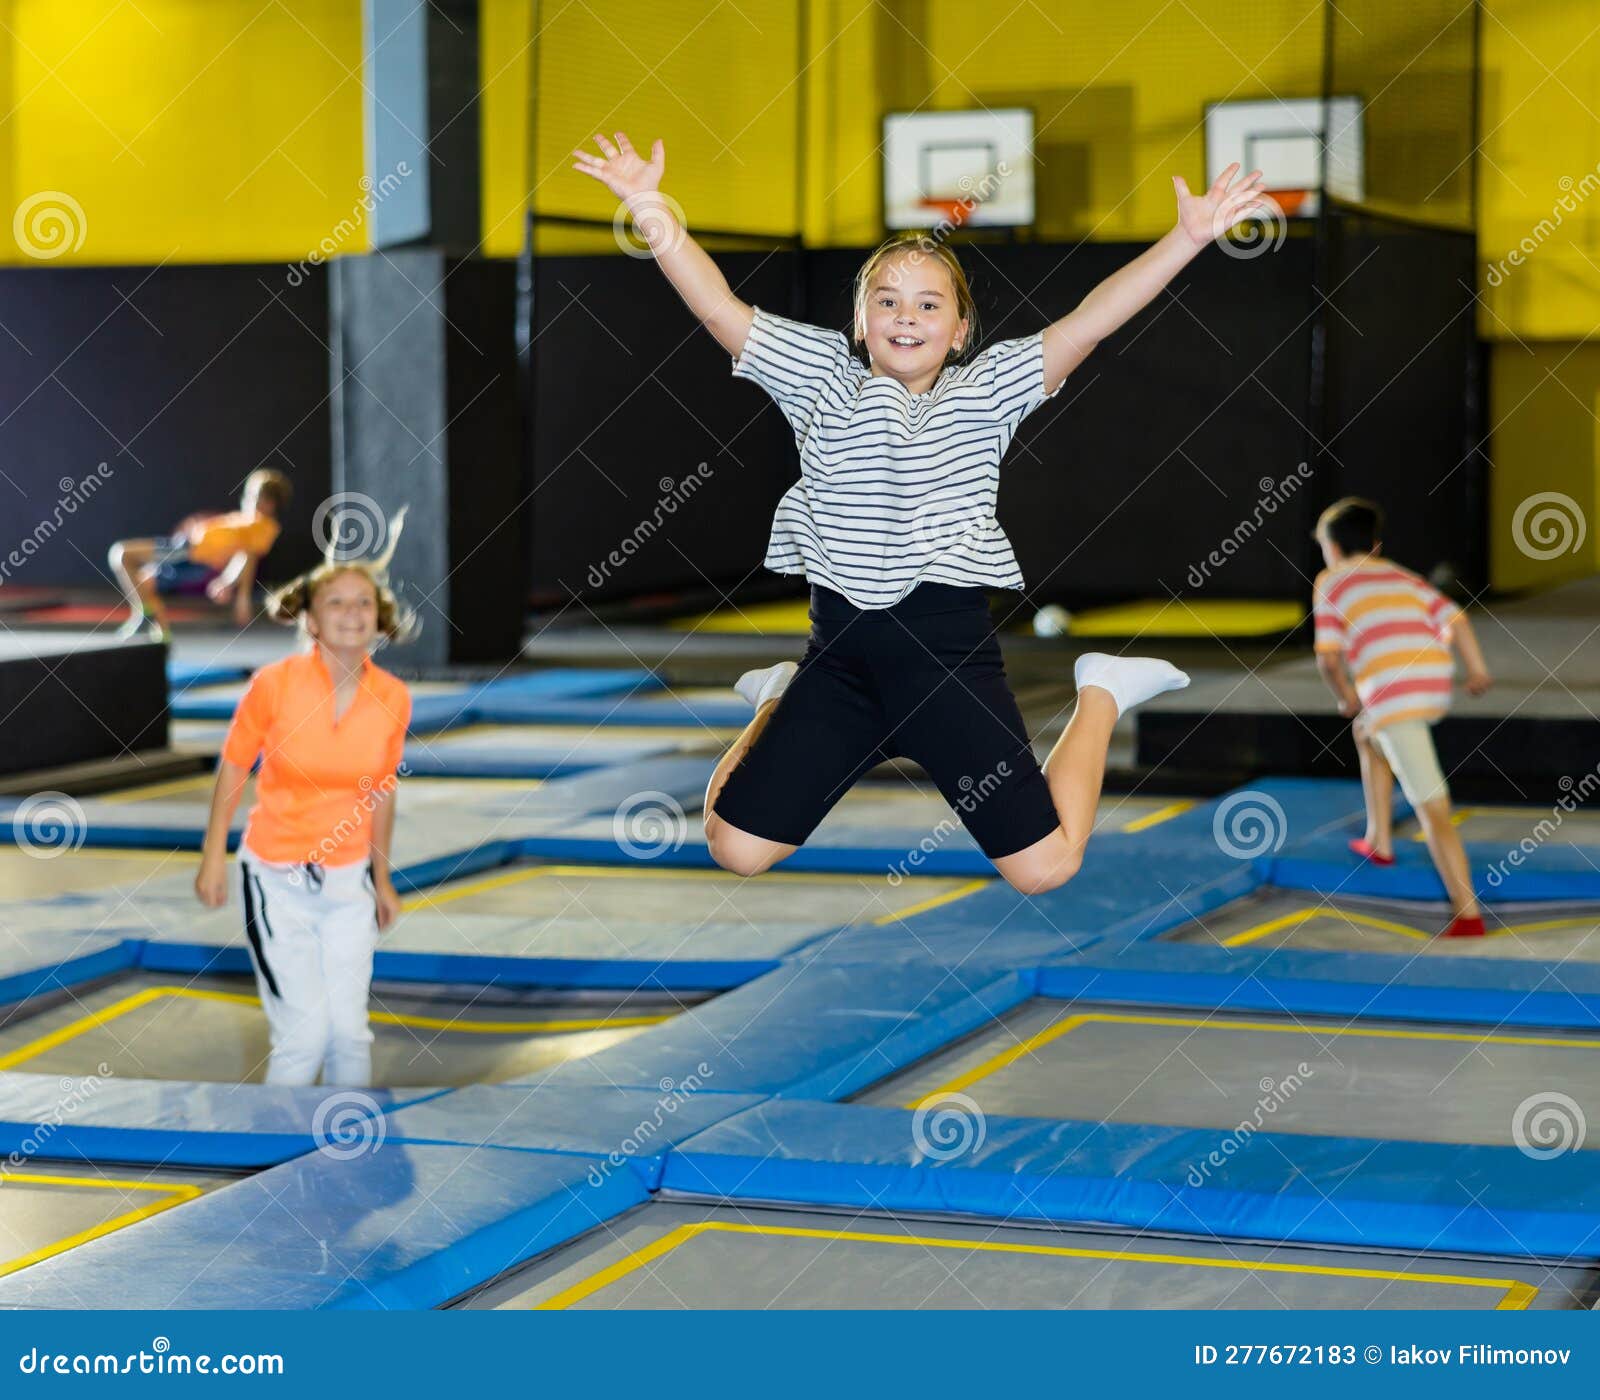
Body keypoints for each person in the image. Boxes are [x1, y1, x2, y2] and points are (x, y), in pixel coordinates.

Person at [574, 130, 1272, 894]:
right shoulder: (818, 376)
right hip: (838, 658)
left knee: (1046, 867)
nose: (908, 316)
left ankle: (1101, 689)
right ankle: (777, 698)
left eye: (929, 303)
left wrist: (1188, 236)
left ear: (960, 330)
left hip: (947, 662)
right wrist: (647, 205)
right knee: (734, 847)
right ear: (861, 319)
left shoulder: (990, 389)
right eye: (888, 300)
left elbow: (1093, 319)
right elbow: (715, 306)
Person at [194, 537, 414, 1085]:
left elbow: (382, 791)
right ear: (311, 619)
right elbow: (234, 767)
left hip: (347, 886)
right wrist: (212, 856)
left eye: (364, 603)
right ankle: (276, 1160)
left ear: (379, 618)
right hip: (276, 880)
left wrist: (381, 878)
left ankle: (351, 1160)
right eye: (336, 603)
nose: (352, 614)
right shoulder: (274, 685)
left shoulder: (393, 696)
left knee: (350, 1034)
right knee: (304, 1035)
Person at [1312, 497, 1493, 937]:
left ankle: (1467, 912)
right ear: (1375, 545)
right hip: (1433, 679)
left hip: (1392, 690)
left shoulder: (1331, 581)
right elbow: (1459, 620)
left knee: (1432, 805)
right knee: (1366, 731)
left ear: (1332, 548)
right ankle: (1379, 841)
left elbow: (1329, 658)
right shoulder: (1403, 576)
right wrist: (1477, 670)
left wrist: (1344, 695)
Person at [109, 467, 292, 640]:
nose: (246, 500)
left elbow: (247, 557)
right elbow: (242, 553)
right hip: (190, 554)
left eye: (253, 496)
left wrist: (235, 590)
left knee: (122, 554)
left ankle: (145, 617)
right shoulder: (249, 521)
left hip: (188, 551)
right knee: (144, 582)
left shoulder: (261, 526)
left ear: (269, 503)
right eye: (247, 495)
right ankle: (160, 633)